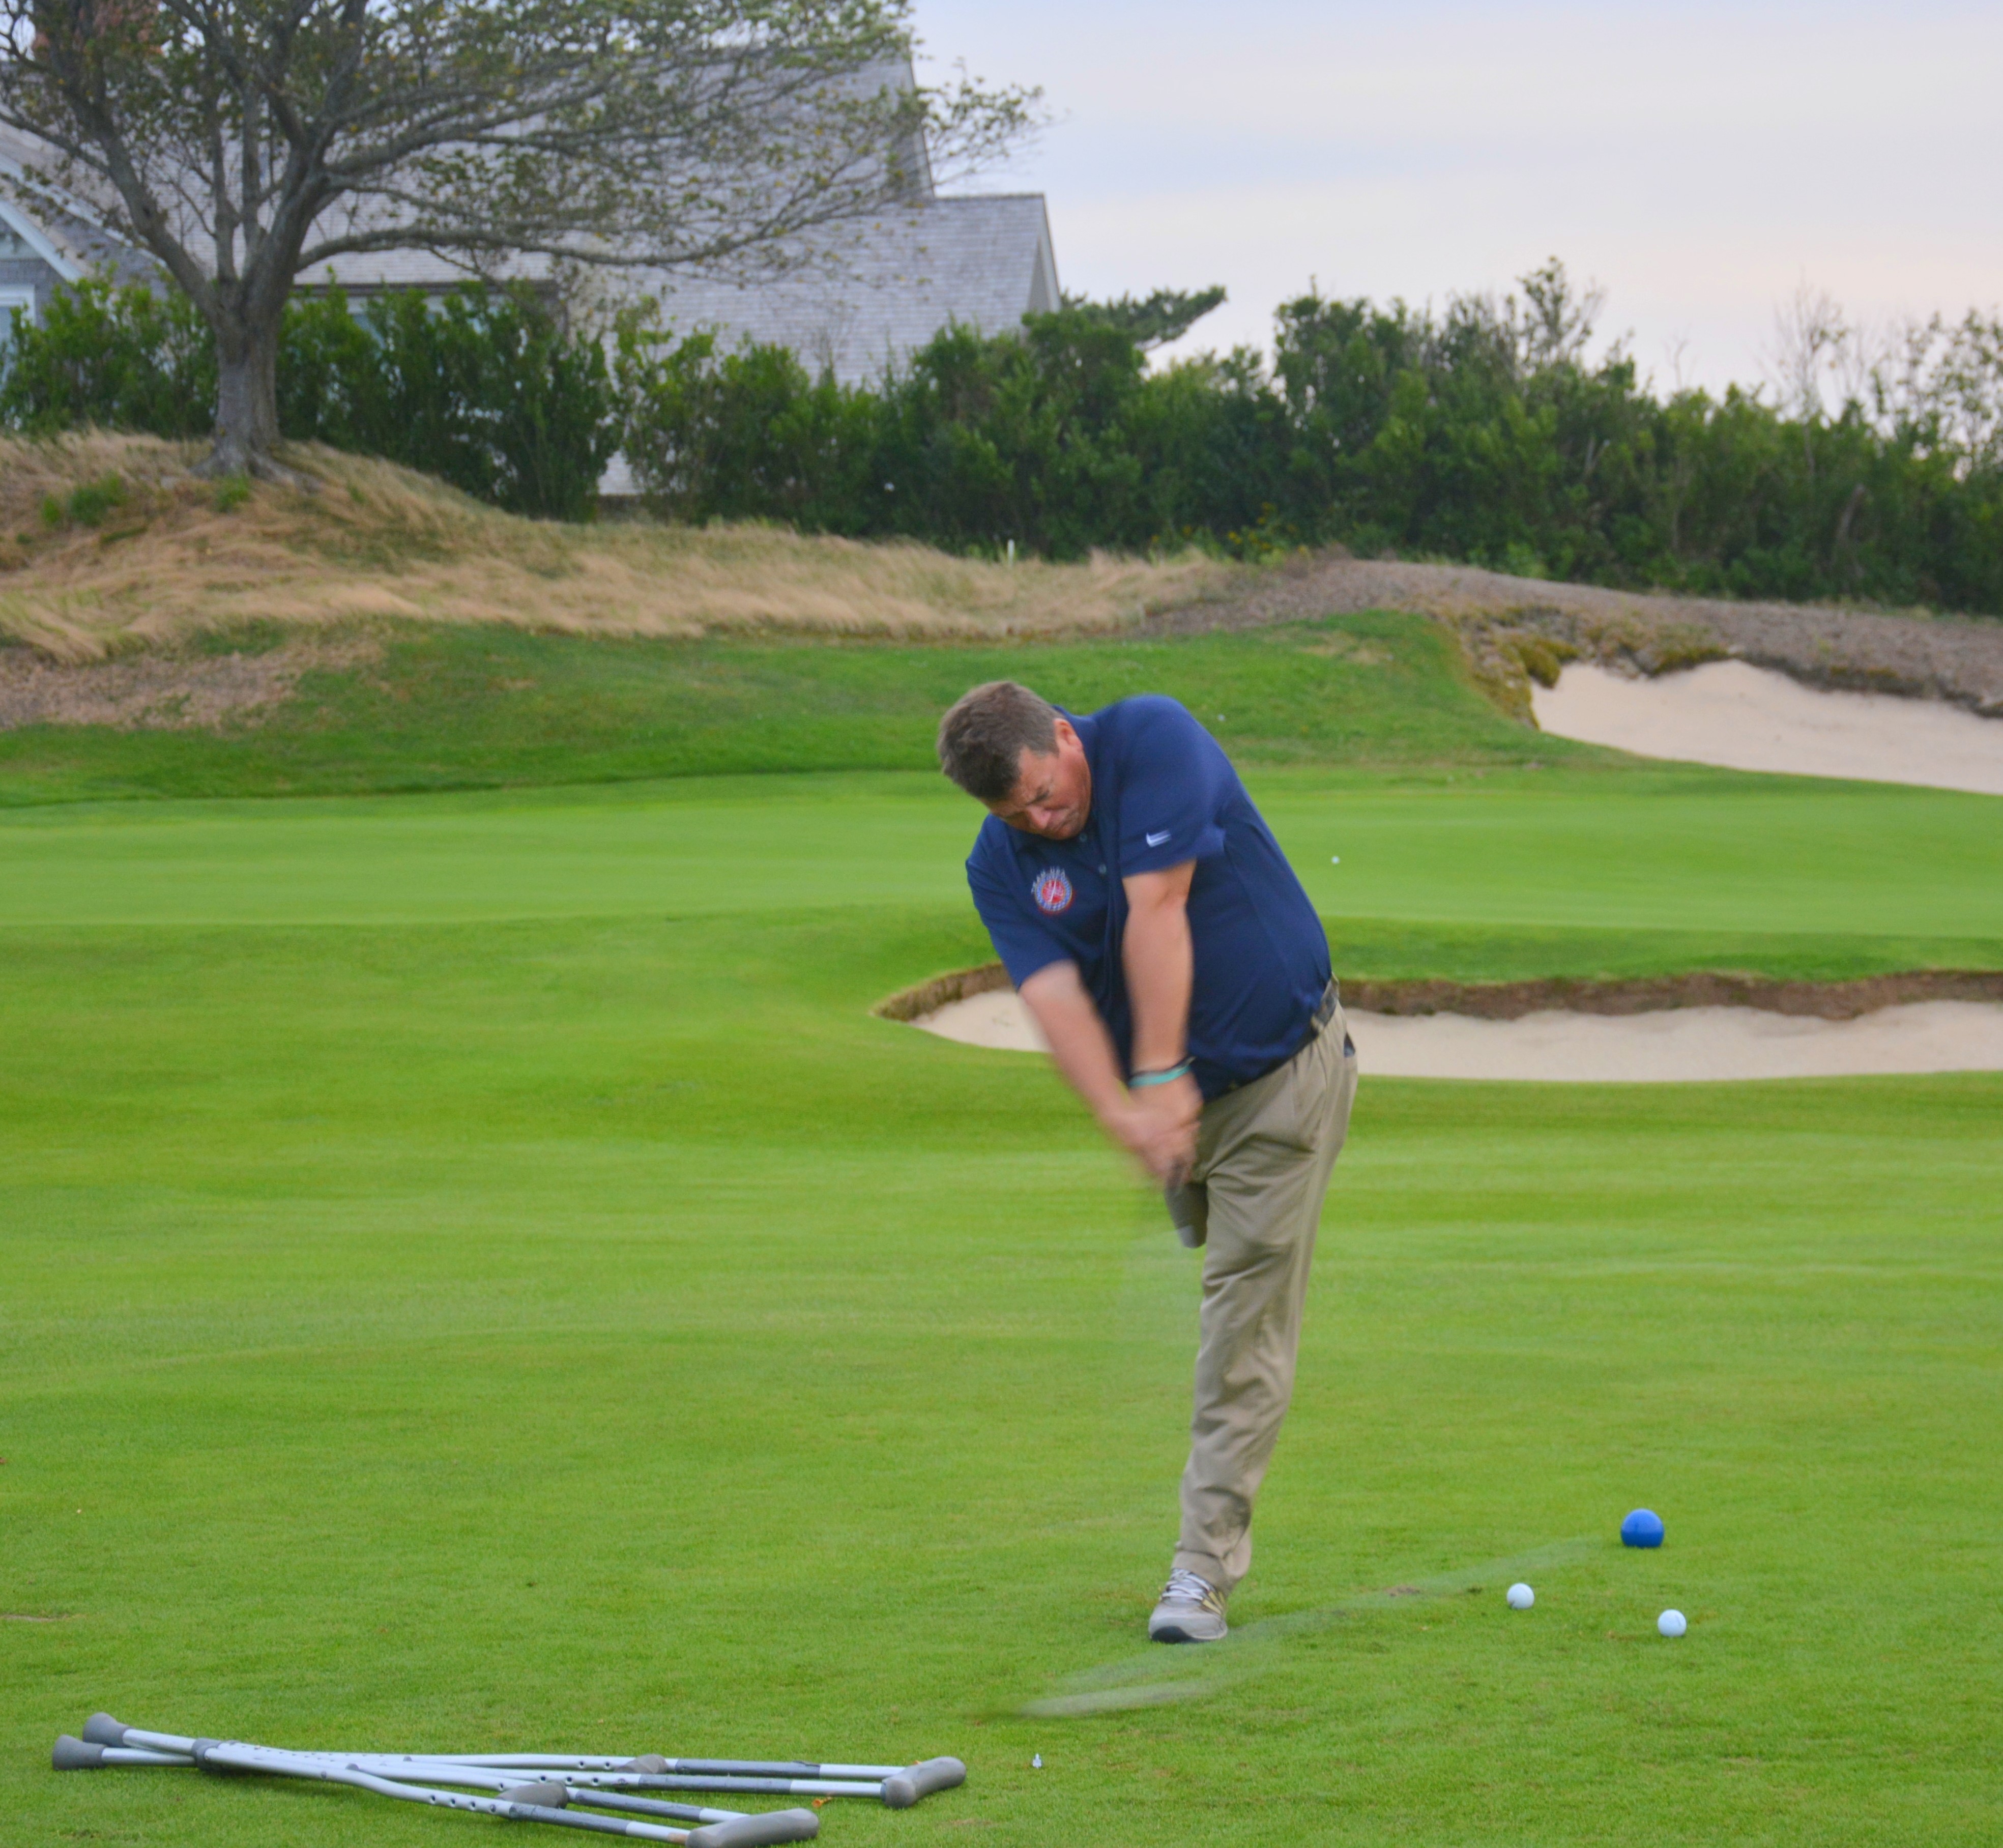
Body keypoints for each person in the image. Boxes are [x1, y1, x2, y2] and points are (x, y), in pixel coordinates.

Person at [936, 680, 1358, 1643]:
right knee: (1228, 1290)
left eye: (1045, 797)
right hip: (1176, 1111)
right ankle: (1206, 1544)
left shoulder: (1154, 739)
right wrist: (1120, 1113)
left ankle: (1200, 1573)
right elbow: (1052, 997)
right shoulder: (998, 862)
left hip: (1278, 1080)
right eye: (1015, 815)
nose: (1041, 823)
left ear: (1063, 735)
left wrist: (1160, 1073)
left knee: (1238, 1318)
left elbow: (1157, 906)